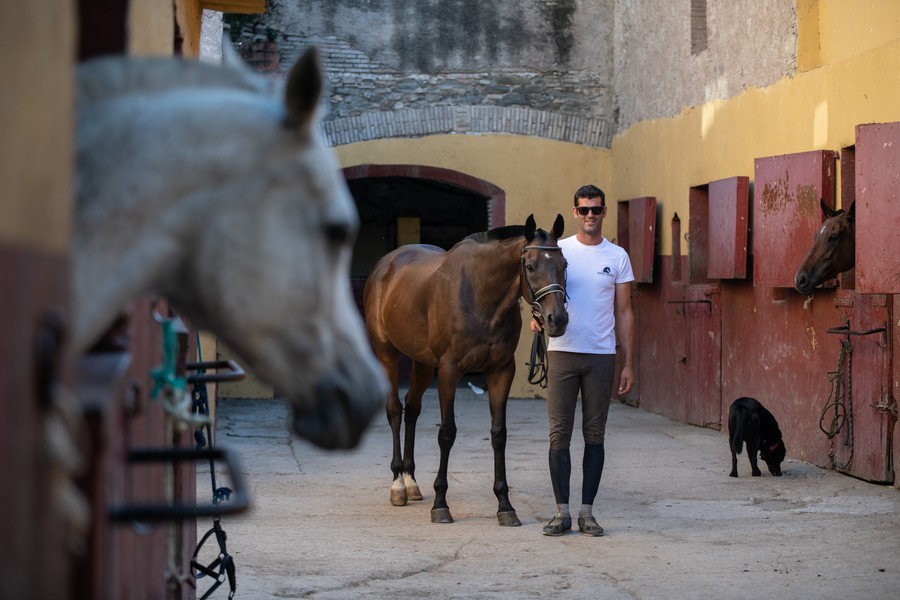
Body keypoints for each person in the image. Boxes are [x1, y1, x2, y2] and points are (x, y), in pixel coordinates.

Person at [534, 184, 635, 537]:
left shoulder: (618, 256)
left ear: (604, 212)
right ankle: (561, 512)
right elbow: (537, 287)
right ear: (575, 212)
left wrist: (627, 362)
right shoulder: (557, 250)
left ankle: (587, 512)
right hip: (562, 351)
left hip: (601, 355)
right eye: (584, 210)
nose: (590, 215)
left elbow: (624, 312)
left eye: (596, 209)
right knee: (559, 435)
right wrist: (536, 316)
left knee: (595, 435)